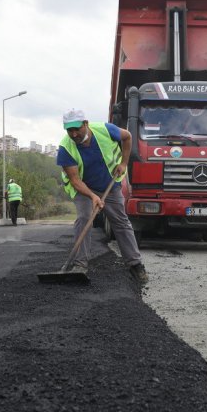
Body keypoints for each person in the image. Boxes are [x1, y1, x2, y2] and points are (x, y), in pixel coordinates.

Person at [56, 108, 148, 284]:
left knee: (120, 222)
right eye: (70, 130)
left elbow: (127, 136)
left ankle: (135, 264)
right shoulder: (65, 149)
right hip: (84, 188)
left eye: (77, 128)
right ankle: (80, 265)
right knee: (84, 218)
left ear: (86, 124)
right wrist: (92, 196)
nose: (74, 134)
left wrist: (124, 163)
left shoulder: (106, 130)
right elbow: (75, 180)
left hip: (109, 184)